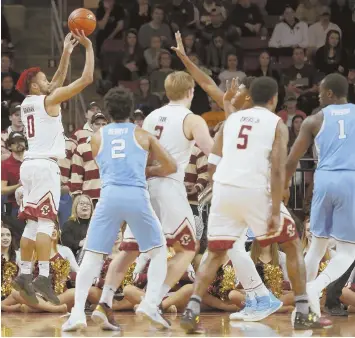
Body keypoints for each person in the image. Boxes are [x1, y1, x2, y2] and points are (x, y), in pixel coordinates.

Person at [180, 77, 331, 332]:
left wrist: (219, 187)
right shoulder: (276, 124)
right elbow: (278, 171)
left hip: (224, 190)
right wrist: (274, 210)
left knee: (216, 252)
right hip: (254, 190)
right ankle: (304, 310)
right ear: (274, 100)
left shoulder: (230, 120)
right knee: (293, 244)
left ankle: (191, 310)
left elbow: (214, 160)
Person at [62, 87, 177, 332]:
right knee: (158, 251)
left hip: (108, 196)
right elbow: (170, 165)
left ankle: (78, 314)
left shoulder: (96, 137)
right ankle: (150, 303)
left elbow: (103, 161)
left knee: (92, 256)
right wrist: (148, 170)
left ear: (108, 111)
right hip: (136, 194)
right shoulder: (143, 134)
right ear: (130, 109)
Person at [119, 70, 214, 322]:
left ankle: (105, 300)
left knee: (133, 248)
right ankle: (154, 299)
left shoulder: (150, 116)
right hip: (170, 186)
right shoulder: (192, 119)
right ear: (191, 92)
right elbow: (211, 150)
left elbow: (143, 155)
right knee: (187, 248)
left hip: (146, 185)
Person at [12, 31, 94, 307]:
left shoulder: (28, 103)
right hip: (46, 167)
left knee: (32, 224)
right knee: (46, 222)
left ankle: (24, 273)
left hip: (28, 166)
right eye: (43, 79)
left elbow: (55, 84)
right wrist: (87, 49)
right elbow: (84, 81)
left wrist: (66, 54)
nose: (49, 81)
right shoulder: (49, 100)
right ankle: (44, 276)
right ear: (36, 86)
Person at [284, 73, 355, 317]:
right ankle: (315, 288)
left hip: (323, 180)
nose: (318, 96)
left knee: (315, 248)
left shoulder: (313, 120)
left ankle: (304, 306)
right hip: (350, 180)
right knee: (348, 252)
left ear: (329, 94)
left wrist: (282, 188)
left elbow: (292, 160)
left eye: (320, 92)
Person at [70, 113, 108, 204]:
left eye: (103, 124)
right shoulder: (81, 148)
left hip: (110, 198)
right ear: (91, 126)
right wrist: (77, 198)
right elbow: (76, 176)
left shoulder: (114, 147)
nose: (100, 127)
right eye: (97, 124)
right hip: (89, 199)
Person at [1, 132, 26, 216]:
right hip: (15, 207)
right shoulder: (5, 164)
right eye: (14, 142)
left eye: (21, 140)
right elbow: (2, 190)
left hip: (34, 205)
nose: (19, 144)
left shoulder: (32, 161)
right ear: (9, 146)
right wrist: (18, 185)